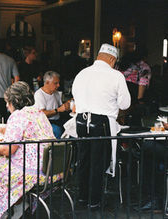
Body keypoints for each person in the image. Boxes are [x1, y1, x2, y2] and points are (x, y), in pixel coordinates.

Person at [0, 81, 60, 219]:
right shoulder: (39, 113)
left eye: (7, 102)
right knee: (0, 165)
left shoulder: (17, 116)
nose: (6, 105)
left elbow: (6, 149)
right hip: (52, 170)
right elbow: (27, 129)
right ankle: (18, 204)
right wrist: (0, 129)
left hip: (32, 172)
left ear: (13, 102)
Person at [72, 43, 131, 209]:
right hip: (102, 122)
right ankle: (95, 201)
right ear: (112, 59)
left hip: (81, 121)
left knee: (83, 160)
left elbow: (75, 97)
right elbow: (125, 104)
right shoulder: (115, 75)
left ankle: (82, 198)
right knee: (99, 161)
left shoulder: (82, 74)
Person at [34, 71, 70, 139]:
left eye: (58, 83)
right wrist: (58, 110)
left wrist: (66, 105)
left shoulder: (56, 93)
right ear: (47, 82)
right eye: (55, 83)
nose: (58, 85)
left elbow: (60, 107)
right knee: (57, 130)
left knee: (71, 127)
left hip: (57, 120)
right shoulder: (39, 94)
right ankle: (58, 148)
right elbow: (42, 114)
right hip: (45, 122)